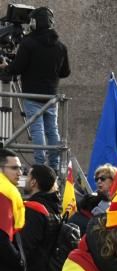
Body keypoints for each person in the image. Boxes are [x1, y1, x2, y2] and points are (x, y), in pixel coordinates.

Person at [2, 7, 70, 172]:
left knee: (37, 129)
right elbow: (65, 72)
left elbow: (17, 67)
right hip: (51, 96)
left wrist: (6, 67)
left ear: (34, 23)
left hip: (32, 95)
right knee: (52, 130)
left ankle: (39, 165)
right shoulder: (60, 46)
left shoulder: (28, 43)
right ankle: (53, 166)